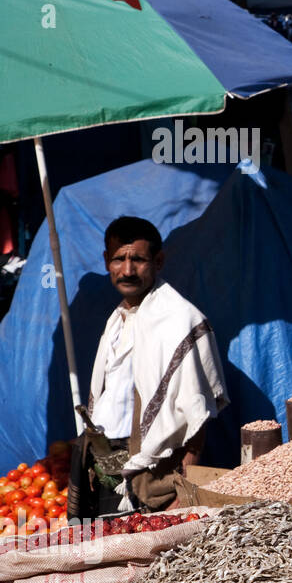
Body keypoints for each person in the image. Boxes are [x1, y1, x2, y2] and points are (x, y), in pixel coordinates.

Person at [82, 216, 228, 512]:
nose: (127, 270)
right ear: (106, 261)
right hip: (112, 474)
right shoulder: (117, 321)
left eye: (138, 259)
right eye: (118, 259)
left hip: (157, 481)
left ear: (158, 261)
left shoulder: (181, 320)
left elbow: (196, 413)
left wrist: (184, 489)